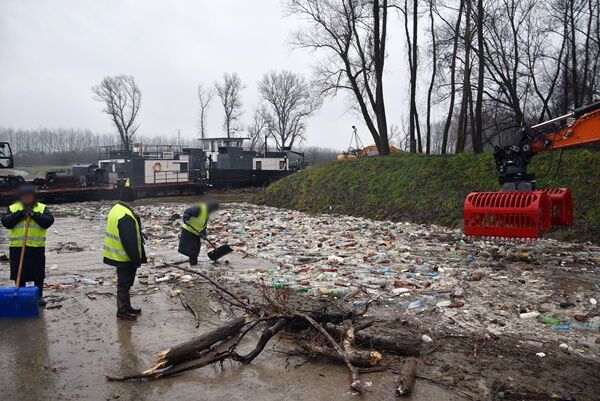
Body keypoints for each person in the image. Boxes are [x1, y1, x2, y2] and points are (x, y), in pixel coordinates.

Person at [1, 185, 54, 306]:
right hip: (17, 248)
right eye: (24, 197)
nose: (27, 199)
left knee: (38, 273)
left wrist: (34, 215)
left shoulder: (41, 208)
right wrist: (20, 214)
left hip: (36, 247)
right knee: (19, 274)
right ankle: (19, 295)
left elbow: (48, 221)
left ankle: (38, 296)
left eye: (29, 196)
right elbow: (6, 222)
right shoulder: (13, 208)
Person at [103, 188, 147, 321]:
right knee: (124, 284)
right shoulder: (125, 215)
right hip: (124, 257)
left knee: (124, 284)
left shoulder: (116, 208)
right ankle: (122, 311)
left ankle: (127, 307)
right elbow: (129, 241)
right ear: (132, 199)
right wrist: (136, 260)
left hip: (116, 254)